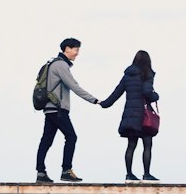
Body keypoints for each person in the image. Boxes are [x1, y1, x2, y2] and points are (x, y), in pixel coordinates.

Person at [35, 39, 101, 183]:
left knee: (46, 141)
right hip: (57, 109)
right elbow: (74, 86)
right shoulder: (60, 65)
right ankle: (66, 170)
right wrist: (95, 100)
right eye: (76, 50)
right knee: (71, 137)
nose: (77, 54)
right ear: (67, 49)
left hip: (50, 108)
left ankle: (41, 173)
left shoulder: (54, 63)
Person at [100, 50, 160, 181]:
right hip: (144, 116)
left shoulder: (128, 75)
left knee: (131, 145)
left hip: (130, 115)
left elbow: (117, 92)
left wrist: (105, 104)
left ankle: (129, 174)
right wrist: (156, 96)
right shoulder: (147, 73)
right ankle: (147, 174)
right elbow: (147, 92)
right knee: (147, 145)